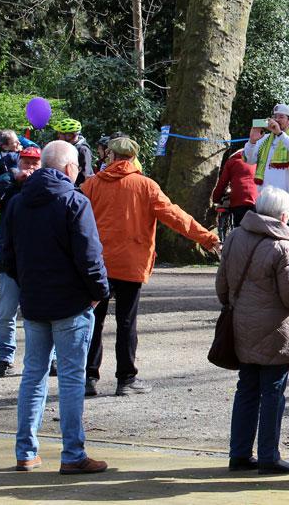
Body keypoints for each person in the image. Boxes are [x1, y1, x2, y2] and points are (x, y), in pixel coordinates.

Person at [0, 140, 110, 474]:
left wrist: (29, 285)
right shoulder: (74, 201)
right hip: (70, 303)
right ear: (69, 168)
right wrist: (99, 291)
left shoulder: (17, 204)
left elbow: (8, 257)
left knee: (33, 377)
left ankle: (26, 452)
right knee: (72, 380)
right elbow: (90, 255)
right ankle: (73, 454)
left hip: (34, 302)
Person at [80, 136, 220, 396]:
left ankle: (88, 377)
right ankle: (126, 379)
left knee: (93, 321)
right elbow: (176, 217)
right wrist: (208, 238)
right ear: (133, 157)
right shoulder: (146, 186)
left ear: (109, 156)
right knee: (126, 321)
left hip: (97, 263)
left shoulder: (91, 185)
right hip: (131, 264)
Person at [217, 186, 289, 473]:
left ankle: (240, 453)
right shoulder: (284, 245)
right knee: (272, 391)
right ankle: (269, 456)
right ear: (283, 216)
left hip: (242, 324)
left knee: (246, 388)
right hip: (276, 330)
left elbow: (222, 285)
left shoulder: (234, 237)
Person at [0, 146, 43, 378]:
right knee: (5, 314)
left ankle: (48, 359)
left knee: (42, 314)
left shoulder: (46, 187)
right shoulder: (8, 187)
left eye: (34, 163)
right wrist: (11, 176)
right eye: (26, 162)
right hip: (11, 261)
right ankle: (5, 358)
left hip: (39, 264)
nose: (30, 167)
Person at [242, 104, 289, 229]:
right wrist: (252, 141)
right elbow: (248, 160)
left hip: (286, 199)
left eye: (281, 117)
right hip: (264, 198)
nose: (276, 119)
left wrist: (280, 134)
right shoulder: (265, 139)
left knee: (285, 235)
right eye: (275, 117)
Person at [212, 148, 260, 229]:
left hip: (239, 200)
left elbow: (222, 183)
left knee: (240, 229)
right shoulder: (257, 161)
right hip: (257, 200)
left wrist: (216, 199)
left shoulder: (232, 161)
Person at [52, 118, 96, 186]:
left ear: (69, 136)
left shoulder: (82, 150)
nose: (58, 136)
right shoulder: (67, 147)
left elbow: (87, 174)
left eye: (60, 133)